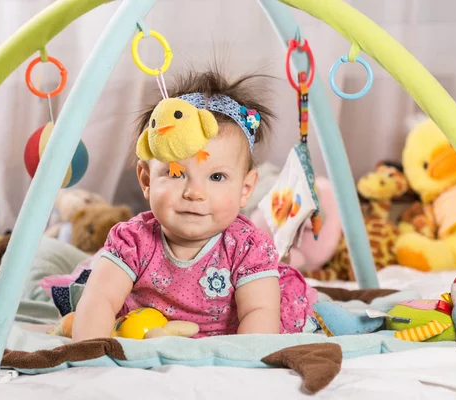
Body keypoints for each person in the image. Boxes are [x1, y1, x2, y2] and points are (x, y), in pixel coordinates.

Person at [72, 68, 318, 341]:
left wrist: (241, 367)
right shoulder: (133, 241)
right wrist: (90, 352)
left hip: (228, 339)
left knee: (312, 316)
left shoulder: (248, 248)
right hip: (150, 332)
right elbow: (99, 300)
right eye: (176, 173)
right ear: (146, 180)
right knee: (83, 298)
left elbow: (259, 315)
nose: (194, 192)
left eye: (216, 177)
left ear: (245, 189)